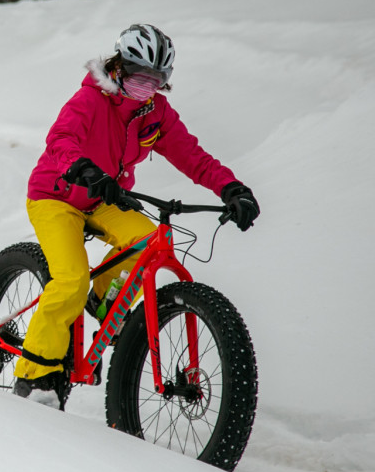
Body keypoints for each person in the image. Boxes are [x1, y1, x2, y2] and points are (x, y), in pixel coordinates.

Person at [14, 23, 260, 407]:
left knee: (149, 241)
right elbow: (61, 140)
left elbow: (192, 156)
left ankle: (102, 298)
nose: (146, 88)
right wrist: (82, 167)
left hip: (103, 198)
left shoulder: (155, 113)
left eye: (155, 81)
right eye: (139, 79)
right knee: (70, 279)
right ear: (118, 67)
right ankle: (34, 376)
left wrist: (231, 189)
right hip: (56, 195)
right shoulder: (90, 101)